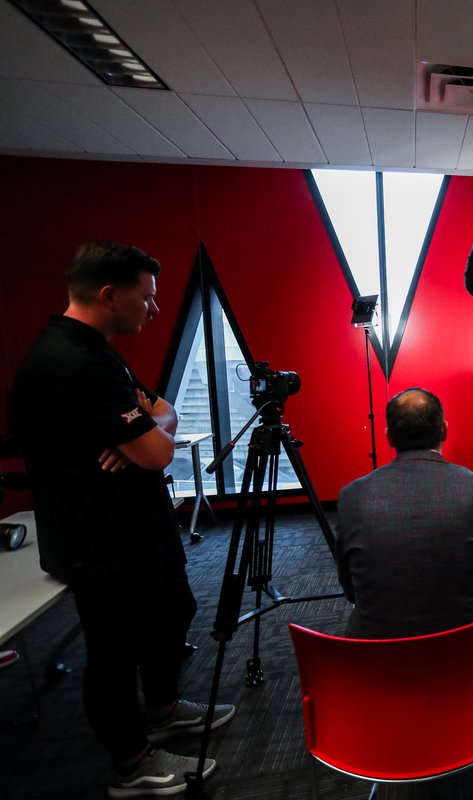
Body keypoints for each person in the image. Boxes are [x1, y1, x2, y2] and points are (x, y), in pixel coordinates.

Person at [8, 242, 234, 798]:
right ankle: (131, 765)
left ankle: (159, 709)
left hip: (137, 529)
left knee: (173, 611)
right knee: (113, 654)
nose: (154, 309)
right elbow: (158, 452)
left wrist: (148, 430)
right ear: (109, 295)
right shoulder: (74, 361)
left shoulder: (96, 348)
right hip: (100, 540)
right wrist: (145, 437)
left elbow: (162, 411)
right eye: (147, 298)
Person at [335, 387, 473, 738]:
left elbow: (351, 590)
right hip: (469, 656)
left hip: (382, 664)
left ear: (387, 436)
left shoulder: (351, 496)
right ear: (444, 430)